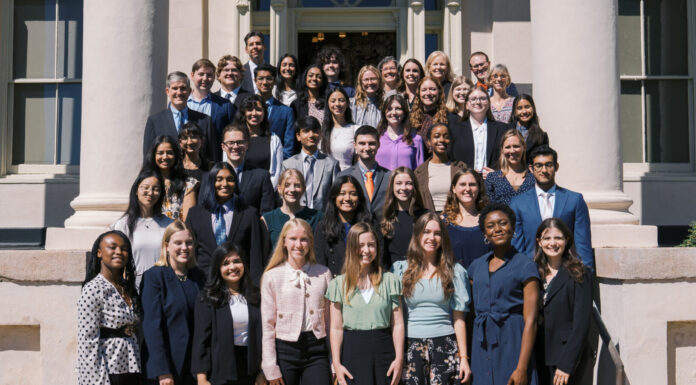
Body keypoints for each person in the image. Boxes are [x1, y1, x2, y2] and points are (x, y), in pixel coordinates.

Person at [391, 213, 472, 384]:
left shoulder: (455, 271)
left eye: (437, 233)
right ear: (417, 235)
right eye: (426, 232)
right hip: (410, 344)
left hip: (445, 344)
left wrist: (463, 357)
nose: (431, 238)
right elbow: (395, 317)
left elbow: (459, 319)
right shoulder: (400, 270)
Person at [468, 203, 540, 385]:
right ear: (485, 234)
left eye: (503, 223)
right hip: (482, 346)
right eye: (491, 226)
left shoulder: (526, 265)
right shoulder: (476, 266)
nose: (497, 229)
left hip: (513, 343)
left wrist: (522, 367)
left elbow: (531, 321)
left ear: (513, 228)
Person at [326, 222, 404, 385]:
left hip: (384, 352)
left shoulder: (390, 281)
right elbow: (335, 328)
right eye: (360, 245)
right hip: (352, 353)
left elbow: (397, 324)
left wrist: (399, 358)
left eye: (371, 245)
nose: (366, 250)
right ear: (351, 248)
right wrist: (337, 364)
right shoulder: (338, 284)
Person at [260, 219, 333, 385]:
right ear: (284, 241)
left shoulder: (323, 274)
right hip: (285, 351)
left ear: (311, 243)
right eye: (293, 239)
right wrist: (270, 366)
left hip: (317, 350)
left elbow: (330, 321)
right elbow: (268, 325)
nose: (298, 245)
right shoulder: (272, 276)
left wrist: (333, 361)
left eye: (304, 239)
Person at [141, 220, 206, 385]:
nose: (184, 247)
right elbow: (151, 327)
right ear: (167, 245)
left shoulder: (199, 277)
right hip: (166, 371)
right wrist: (162, 371)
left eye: (189, 243)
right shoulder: (154, 277)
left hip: (194, 368)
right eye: (178, 243)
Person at [510, 146, 594, 271]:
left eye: (548, 165)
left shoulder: (574, 200)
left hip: (566, 272)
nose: (544, 170)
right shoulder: (518, 203)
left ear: (556, 167)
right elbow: (517, 247)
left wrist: (587, 276)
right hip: (531, 273)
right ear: (531, 169)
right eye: (538, 165)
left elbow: (583, 244)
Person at [192, 242, 264, 385]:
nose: (232, 267)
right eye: (225, 263)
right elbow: (201, 341)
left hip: (251, 372)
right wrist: (201, 378)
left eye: (237, 261)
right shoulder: (207, 298)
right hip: (220, 373)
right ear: (218, 268)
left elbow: (265, 338)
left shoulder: (256, 297)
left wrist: (263, 372)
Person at [534, 218, 593, 385]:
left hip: (565, 359)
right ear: (539, 242)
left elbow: (581, 323)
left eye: (558, 238)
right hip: (538, 355)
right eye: (547, 238)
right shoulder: (532, 272)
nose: (552, 243)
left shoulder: (580, 273)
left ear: (567, 240)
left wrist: (567, 365)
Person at [186, 162, 268, 283]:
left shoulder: (249, 214)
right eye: (219, 179)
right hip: (203, 284)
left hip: (238, 284)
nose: (224, 184)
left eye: (230, 179)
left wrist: (255, 290)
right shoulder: (195, 214)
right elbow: (190, 252)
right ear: (211, 182)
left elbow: (255, 256)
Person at [78, 230, 141, 385]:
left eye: (124, 248)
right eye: (112, 247)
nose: (119, 252)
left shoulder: (127, 288)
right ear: (99, 253)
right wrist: (96, 381)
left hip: (131, 366)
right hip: (108, 370)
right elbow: (87, 341)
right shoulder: (93, 289)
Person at [111, 170, 173, 287]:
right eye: (145, 188)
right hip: (134, 285)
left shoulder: (169, 224)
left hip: (164, 284)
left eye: (156, 189)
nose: (150, 192)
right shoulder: (123, 225)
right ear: (136, 190)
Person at [143, 71, 214, 159]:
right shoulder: (155, 121)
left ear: (189, 91)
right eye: (175, 88)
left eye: (183, 88)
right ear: (167, 91)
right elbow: (148, 157)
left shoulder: (204, 121)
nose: (179, 92)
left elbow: (212, 157)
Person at [314, 175, 374, 276]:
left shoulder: (370, 224)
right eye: (342, 194)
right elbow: (320, 265)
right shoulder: (323, 227)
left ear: (359, 198)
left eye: (353, 194)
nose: (347, 198)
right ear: (334, 197)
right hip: (334, 284)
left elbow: (379, 259)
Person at [447, 85, 507, 178]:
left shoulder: (502, 129)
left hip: (493, 183)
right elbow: (450, 159)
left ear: (488, 103)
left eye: (482, 98)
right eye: (473, 99)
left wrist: (497, 174)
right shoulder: (454, 130)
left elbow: (508, 159)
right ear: (467, 105)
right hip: (465, 183)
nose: (478, 102)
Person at [282, 116, 341, 210]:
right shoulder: (288, 165)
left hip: (323, 219)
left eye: (315, 131)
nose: (311, 135)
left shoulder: (331, 164)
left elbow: (336, 195)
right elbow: (283, 195)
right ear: (298, 136)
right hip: (296, 217)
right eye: (306, 131)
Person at [338, 125, 392, 220]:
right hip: (354, 229)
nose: (367, 148)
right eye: (362, 143)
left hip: (383, 230)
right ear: (355, 145)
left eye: (371, 143)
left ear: (378, 145)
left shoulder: (390, 176)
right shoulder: (344, 176)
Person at [262, 168, 324, 250]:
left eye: (297, 185)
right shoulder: (267, 220)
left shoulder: (317, 217)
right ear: (279, 189)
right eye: (287, 185)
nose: (292, 190)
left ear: (304, 189)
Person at [220, 124, 276, 214]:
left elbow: (267, 214)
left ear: (247, 145)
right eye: (231, 143)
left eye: (240, 142)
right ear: (223, 147)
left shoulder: (261, 177)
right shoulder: (211, 176)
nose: (235, 146)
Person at [441, 168, 491, 269]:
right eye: (462, 184)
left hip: (485, 281)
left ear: (479, 188)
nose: (467, 189)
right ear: (454, 189)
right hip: (454, 282)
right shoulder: (443, 222)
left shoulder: (489, 220)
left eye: (472, 184)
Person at [380, 167, 427, 268]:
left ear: (414, 186)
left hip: (421, 272)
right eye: (399, 183)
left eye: (409, 183)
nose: (404, 187)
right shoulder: (383, 216)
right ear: (392, 186)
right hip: (393, 276)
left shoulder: (425, 216)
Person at [142, 135, 198, 221]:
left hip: (177, 233)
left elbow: (188, 221)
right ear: (153, 155)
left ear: (176, 155)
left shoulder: (189, 184)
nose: (165, 157)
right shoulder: (144, 182)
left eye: (169, 153)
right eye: (160, 153)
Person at [414, 123, 467, 212]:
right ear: (429, 142)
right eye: (436, 136)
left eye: (446, 136)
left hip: (456, 217)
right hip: (431, 220)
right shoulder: (419, 172)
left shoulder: (461, 167)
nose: (442, 140)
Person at [188, 58, 236, 154]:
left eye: (209, 75)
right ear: (192, 75)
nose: (205, 78)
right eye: (201, 74)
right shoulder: (183, 103)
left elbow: (232, 135)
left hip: (213, 160)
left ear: (214, 78)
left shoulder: (225, 105)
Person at [235, 95, 283, 187]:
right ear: (244, 113)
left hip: (267, 192)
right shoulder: (236, 138)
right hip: (241, 192)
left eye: (258, 109)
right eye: (249, 109)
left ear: (264, 113)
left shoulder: (274, 139)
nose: (254, 113)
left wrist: (268, 191)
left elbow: (277, 172)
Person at [255, 63, 296, 159]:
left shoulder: (286, 112)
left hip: (276, 165)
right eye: (260, 78)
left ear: (274, 81)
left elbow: (288, 147)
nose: (264, 82)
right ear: (255, 81)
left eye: (269, 78)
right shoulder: (246, 109)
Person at [485, 130, 535, 205]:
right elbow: (488, 209)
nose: (512, 151)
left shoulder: (533, 177)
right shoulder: (493, 178)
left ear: (524, 147)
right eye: (508, 147)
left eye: (516, 146)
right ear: (502, 150)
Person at [375, 94, 424, 171]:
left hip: (405, 182)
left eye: (398, 109)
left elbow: (419, 171)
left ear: (404, 113)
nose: (393, 113)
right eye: (389, 109)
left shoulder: (416, 139)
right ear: (384, 113)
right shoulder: (376, 138)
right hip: (381, 183)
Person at [321, 87, 357, 171]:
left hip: (347, 176)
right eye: (333, 101)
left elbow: (358, 160)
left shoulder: (355, 129)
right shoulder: (322, 131)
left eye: (341, 100)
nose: (337, 104)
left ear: (347, 103)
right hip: (326, 178)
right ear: (328, 104)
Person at [410, 76, 448, 145]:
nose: (428, 93)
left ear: (439, 92)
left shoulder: (448, 116)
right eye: (424, 90)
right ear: (419, 93)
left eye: (432, 89)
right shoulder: (411, 118)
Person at [291, 64, 328, 129]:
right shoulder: (296, 104)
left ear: (322, 81)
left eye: (318, 77)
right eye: (311, 76)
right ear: (305, 79)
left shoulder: (328, 103)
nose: (314, 79)